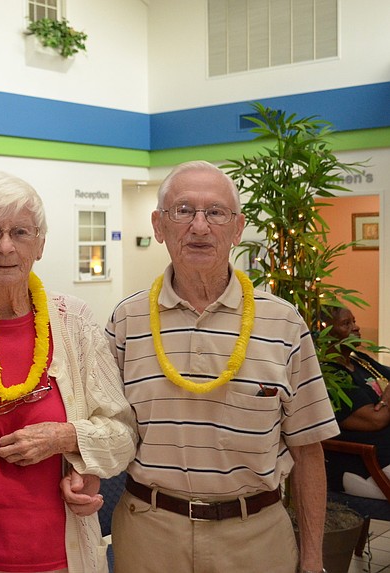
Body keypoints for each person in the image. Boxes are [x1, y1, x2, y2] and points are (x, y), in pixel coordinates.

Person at [106, 160, 339, 573]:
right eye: (183, 211)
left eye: (215, 212)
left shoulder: (283, 323)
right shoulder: (126, 320)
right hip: (149, 535)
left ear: (237, 228)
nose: (199, 226)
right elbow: (105, 426)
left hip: (255, 539)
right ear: (159, 225)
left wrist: (313, 559)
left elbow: (308, 449)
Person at [0, 170, 136, 573]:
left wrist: (67, 439)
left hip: (65, 557)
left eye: (20, 232)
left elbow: (122, 435)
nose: (5, 247)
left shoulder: (75, 322)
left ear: (41, 245)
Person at [323, 305, 390, 499]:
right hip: (367, 464)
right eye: (346, 323)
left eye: (354, 321)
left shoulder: (360, 360)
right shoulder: (330, 375)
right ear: (325, 333)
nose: (356, 327)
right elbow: (375, 419)